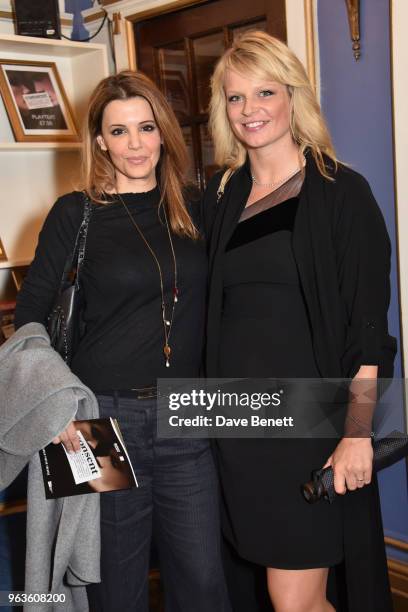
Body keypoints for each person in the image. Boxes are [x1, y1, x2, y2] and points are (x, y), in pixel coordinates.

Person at [15, 70, 231, 612]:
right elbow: (29, 314)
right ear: (100, 142)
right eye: (119, 131)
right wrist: (53, 406)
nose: (135, 144)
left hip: (189, 412)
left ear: (164, 134)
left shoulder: (194, 209)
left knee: (203, 578)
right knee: (110, 582)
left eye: (146, 128)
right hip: (93, 422)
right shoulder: (75, 214)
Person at [203, 31, 397, 612]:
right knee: (275, 593)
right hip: (236, 424)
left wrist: (357, 433)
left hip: (306, 426)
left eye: (265, 92)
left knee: (293, 598)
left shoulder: (340, 192)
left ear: (293, 97)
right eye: (234, 98)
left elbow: (369, 330)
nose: (250, 110)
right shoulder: (222, 196)